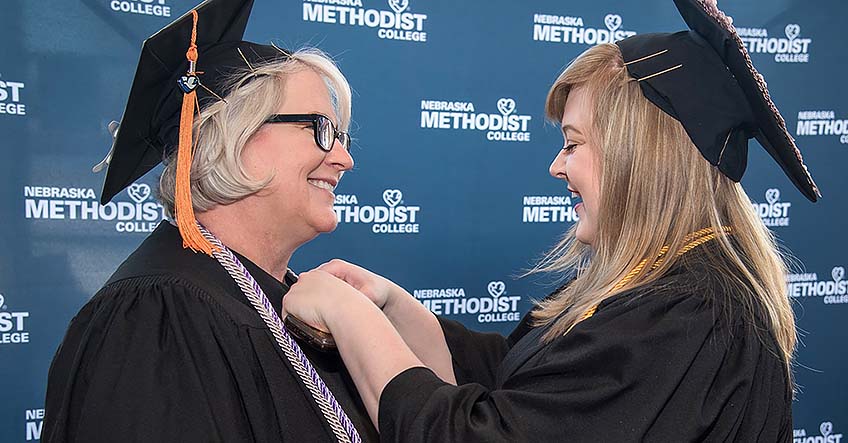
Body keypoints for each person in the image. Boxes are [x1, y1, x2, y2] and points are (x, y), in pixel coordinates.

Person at [281, 0, 820, 441]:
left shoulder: (689, 317)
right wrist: (392, 306)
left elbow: (477, 435)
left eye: (574, 144)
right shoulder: (645, 280)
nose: (556, 166)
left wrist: (348, 315)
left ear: (640, 155)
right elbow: (516, 376)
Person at [43, 1, 376, 441]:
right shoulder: (155, 321)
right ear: (233, 136)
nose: (344, 158)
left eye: (342, 136)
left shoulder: (273, 295)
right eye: (320, 128)